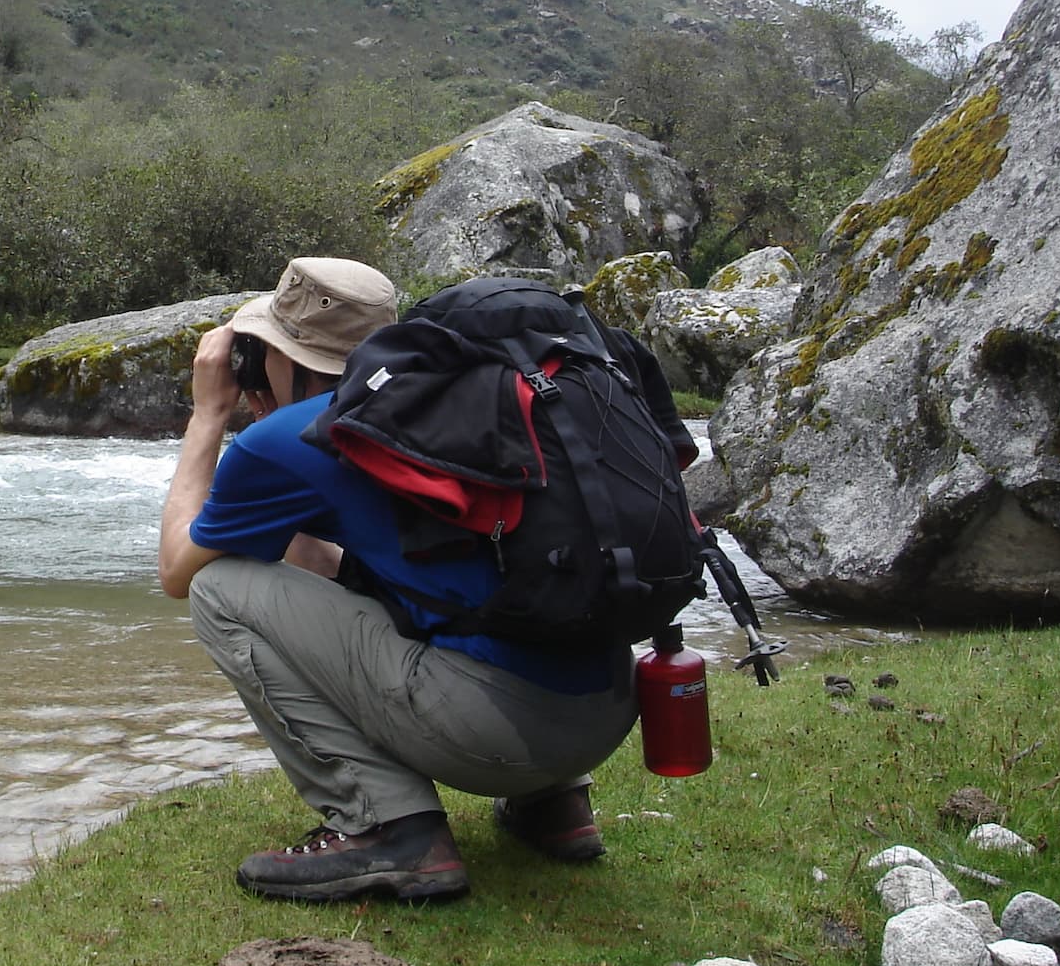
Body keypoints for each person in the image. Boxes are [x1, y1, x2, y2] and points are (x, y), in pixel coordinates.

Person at [159, 256, 686, 903]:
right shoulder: (453, 407)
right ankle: (553, 808)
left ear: (284, 355)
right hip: (607, 716)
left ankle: (386, 829)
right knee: (465, 587)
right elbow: (336, 577)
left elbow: (178, 571)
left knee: (221, 591)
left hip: (493, 734)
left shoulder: (286, 441)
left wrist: (209, 417)